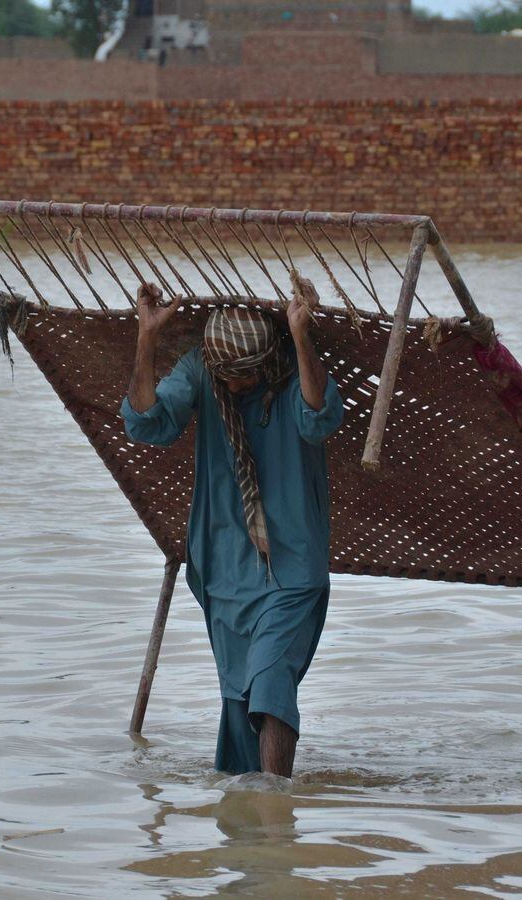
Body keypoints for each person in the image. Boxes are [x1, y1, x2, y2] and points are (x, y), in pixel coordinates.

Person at [120, 282, 344, 777]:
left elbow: (319, 417)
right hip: (223, 565)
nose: (234, 385)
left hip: (292, 568)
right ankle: (250, 833)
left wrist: (302, 336)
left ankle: (272, 809)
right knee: (237, 697)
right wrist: (146, 338)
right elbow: (145, 423)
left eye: (244, 376)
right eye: (226, 376)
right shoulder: (204, 370)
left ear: (267, 363)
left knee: (268, 682)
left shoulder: (289, 375)